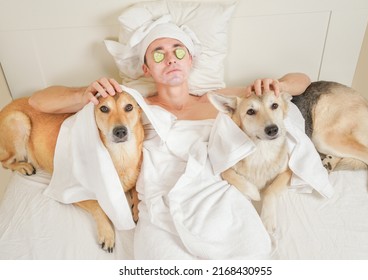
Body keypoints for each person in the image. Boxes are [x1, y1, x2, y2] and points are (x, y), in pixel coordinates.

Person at [28, 22, 311, 259]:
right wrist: (83, 94)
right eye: (159, 55)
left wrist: (279, 86)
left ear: (191, 60)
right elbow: (37, 102)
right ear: (147, 69)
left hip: (216, 195)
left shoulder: (225, 100)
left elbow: (303, 83)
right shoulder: (132, 105)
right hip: (159, 206)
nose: (171, 58)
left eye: (178, 51)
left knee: (254, 251)